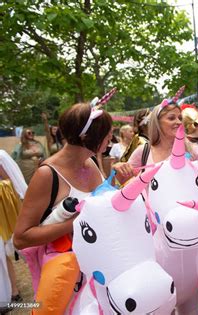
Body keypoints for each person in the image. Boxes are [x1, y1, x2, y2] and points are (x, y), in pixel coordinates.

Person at [13, 102, 113, 314]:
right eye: (107, 135)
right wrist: (77, 222)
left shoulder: (91, 163)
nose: (110, 140)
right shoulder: (47, 175)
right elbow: (21, 238)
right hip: (69, 276)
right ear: (88, 138)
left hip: (98, 266)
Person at [114, 91, 198, 182]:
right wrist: (119, 168)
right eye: (171, 118)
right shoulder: (144, 151)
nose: (178, 122)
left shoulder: (188, 148)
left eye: (179, 118)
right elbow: (122, 180)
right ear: (157, 123)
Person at [0, 150, 27, 305]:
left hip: (5, 211)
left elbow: (9, 184)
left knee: (10, 250)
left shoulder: (1, 156)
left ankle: (13, 291)